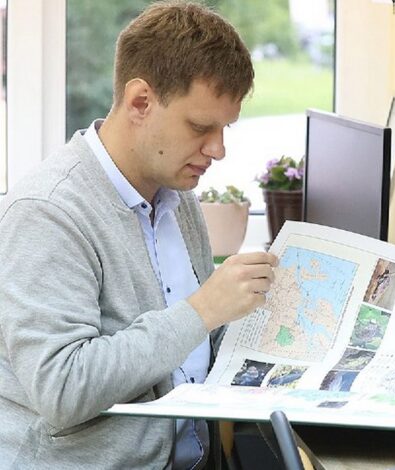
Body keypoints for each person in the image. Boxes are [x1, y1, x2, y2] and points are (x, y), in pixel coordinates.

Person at [0, 2, 277, 469]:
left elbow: (188, 346)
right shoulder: (47, 213)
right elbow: (62, 388)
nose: (218, 149)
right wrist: (204, 309)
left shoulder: (176, 195)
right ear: (140, 102)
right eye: (200, 127)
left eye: (224, 128)